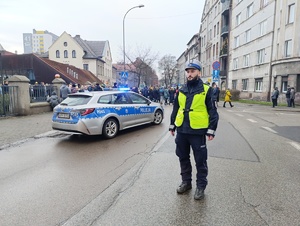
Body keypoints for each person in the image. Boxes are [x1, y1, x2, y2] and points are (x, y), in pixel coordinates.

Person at [169, 59, 219, 200]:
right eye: (188, 71)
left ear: (199, 72)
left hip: (197, 131)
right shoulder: (181, 90)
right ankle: (186, 182)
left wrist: (211, 129)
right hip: (182, 131)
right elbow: (176, 108)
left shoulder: (207, 90)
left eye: (193, 71)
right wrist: (172, 124)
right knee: (183, 157)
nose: (190, 74)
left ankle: (201, 186)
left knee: (200, 160)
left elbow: (213, 111)